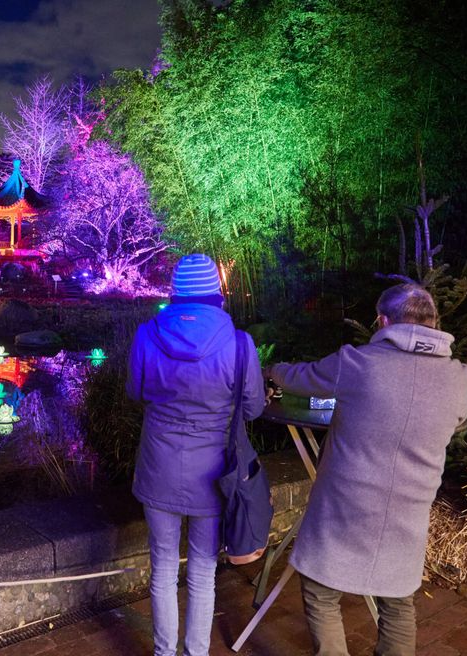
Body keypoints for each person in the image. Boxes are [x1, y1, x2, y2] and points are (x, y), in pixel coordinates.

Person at [266, 283, 467, 656]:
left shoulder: (357, 364)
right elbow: (455, 423)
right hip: (408, 513)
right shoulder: (462, 378)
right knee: (396, 602)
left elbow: (298, 377)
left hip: (345, 508)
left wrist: (271, 369)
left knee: (319, 589)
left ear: (382, 322)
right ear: (434, 321)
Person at [127, 253, 266, 656]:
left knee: (164, 568)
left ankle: (164, 652)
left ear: (175, 294)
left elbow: (136, 392)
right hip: (213, 475)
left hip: (158, 468)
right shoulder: (240, 344)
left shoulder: (146, 335)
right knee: (204, 570)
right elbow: (253, 408)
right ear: (215, 295)